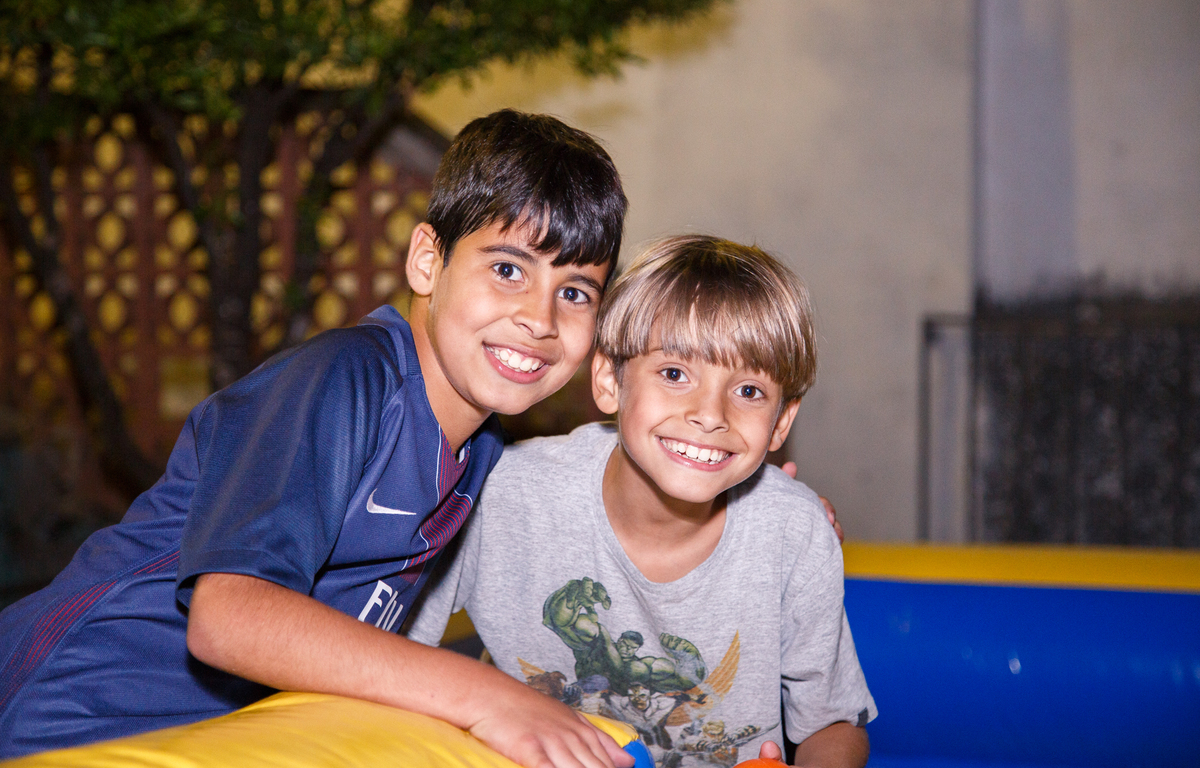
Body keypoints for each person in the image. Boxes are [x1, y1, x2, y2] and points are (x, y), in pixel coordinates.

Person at [0, 109, 637, 768]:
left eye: (576, 293)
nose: (539, 318)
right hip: (60, 716)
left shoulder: (478, 452)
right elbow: (229, 617)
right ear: (427, 259)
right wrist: (486, 695)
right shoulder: (346, 377)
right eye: (508, 269)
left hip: (226, 742)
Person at [405, 235, 877, 768]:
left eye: (749, 391)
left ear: (780, 423)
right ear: (609, 380)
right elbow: (396, 658)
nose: (709, 414)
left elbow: (832, 722)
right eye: (675, 374)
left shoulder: (795, 531)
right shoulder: (503, 498)